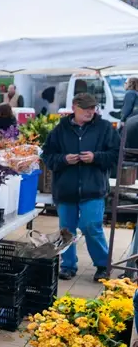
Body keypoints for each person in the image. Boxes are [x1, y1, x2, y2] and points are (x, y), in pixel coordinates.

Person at [42, 93, 120, 281]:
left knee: (91, 225)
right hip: (65, 189)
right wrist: (63, 159)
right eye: (86, 108)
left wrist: (96, 157)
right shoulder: (59, 130)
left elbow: (116, 154)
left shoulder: (105, 128)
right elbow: (47, 156)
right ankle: (68, 266)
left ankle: (103, 265)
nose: (90, 111)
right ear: (74, 107)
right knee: (66, 230)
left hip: (93, 188)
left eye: (93, 108)